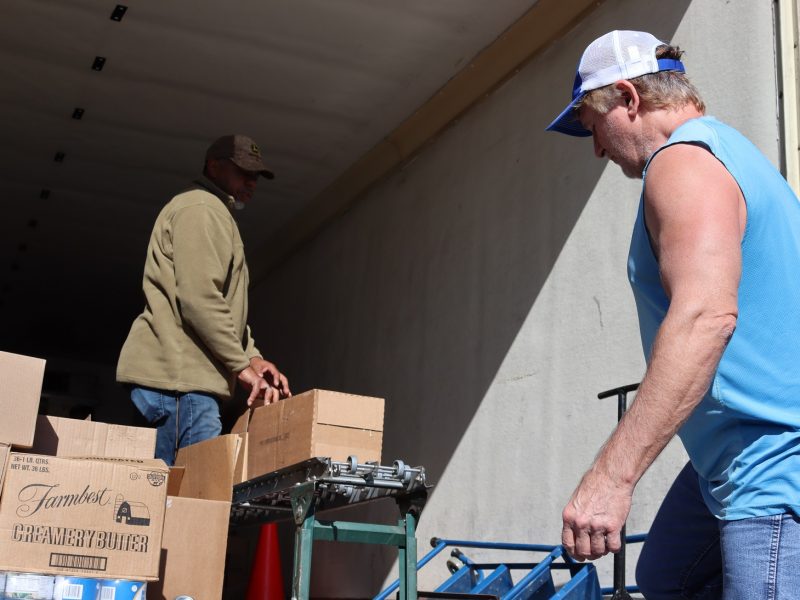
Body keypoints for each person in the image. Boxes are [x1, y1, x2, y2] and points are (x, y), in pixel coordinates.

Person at [546, 30, 800, 598]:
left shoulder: (683, 162)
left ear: (630, 99)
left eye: (593, 126)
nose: (596, 149)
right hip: (731, 459)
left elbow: (706, 316)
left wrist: (612, 476)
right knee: (667, 574)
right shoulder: (727, 152)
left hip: (773, 462)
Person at [117, 134, 291, 465]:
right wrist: (241, 366)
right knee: (184, 501)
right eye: (243, 173)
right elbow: (199, 299)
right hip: (181, 385)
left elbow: (221, 305)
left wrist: (253, 356)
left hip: (187, 384)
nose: (251, 183)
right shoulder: (200, 208)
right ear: (214, 166)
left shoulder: (213, 212)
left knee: (173, 498)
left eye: (256, 176)